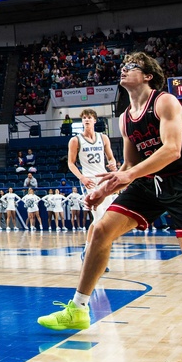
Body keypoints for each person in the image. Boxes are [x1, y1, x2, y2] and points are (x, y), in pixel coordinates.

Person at [38, 52, 182, 346]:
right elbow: (128, 167)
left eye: (131, 66)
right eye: (122, 67)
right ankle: (79, 309)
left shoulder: (164, 101)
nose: (123, 70)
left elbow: (172, 150)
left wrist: (126, 176)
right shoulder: (125, 119)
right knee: (100, 231)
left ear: (148, 75)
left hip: (181, 181)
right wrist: (104, 190)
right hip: (148, 183)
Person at [67, 108, 118, 260]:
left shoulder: (103, 138)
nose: (87, 120)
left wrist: (113, 165)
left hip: (104, 180)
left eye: (89, 117)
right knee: (99, 217)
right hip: (89, 181)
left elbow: (111, 158)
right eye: (84, 118)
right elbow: (71, 163)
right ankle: (96, 256)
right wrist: (82, 178)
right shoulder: (75, 140)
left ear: (95, 120)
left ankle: (88, 251)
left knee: (105, 219)